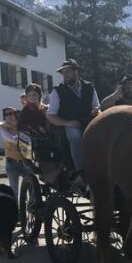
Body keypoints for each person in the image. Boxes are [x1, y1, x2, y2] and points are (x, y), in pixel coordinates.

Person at [46, 59, 100, 191]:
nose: (65, 74)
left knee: (103, 135)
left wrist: (96, 111)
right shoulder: (57, 92)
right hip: (68, 126)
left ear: (77, 72)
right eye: (63, 72)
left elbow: (97, 106)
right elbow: (50, 115)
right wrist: (67, 123)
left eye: (68, 71)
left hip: (89, 122)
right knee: (75, 137)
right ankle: (81, 173)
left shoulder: (89, 88)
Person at [0, 106, 32, 197]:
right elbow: (11, 139)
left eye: (11, 113)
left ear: (15, 115)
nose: (8, 116)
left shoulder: (22, 126)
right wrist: (22, 137)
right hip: (11, 164)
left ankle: (33, 208)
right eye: (6, 114)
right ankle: (15, 210)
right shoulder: (3, 128)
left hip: (25, 162)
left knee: (32, 188)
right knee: (14, 192)